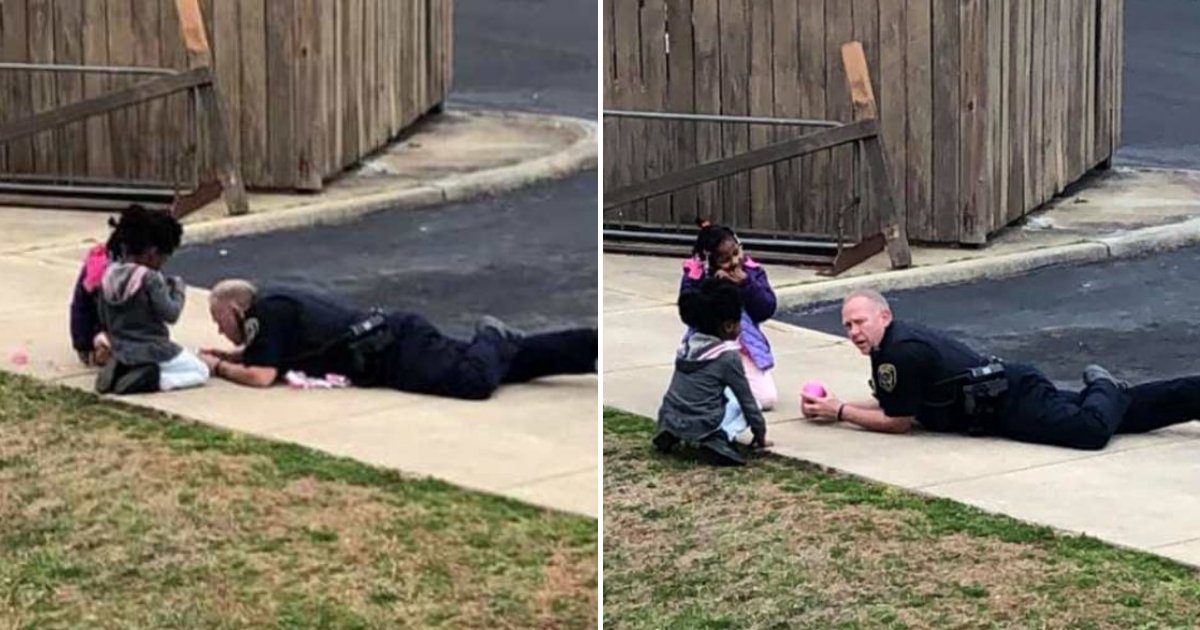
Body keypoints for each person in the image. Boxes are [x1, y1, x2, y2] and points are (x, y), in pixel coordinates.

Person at [800, 289, 1200, 450]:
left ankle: (1104, 382)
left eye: (860, 322)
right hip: (1000, 399)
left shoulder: (899, 351)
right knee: (1127, 414)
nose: (853, 331)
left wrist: (838, 412)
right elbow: (896, 398)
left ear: (884, 315)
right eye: (847, 326)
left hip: (1012, 399)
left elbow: (899, 421)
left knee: (1091, 431)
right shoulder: (891, 345)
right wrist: (837, 405)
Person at [199, 279, 597, 400]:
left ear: (236, 311)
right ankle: (589, 347)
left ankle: (490, 332)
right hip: (388, 343)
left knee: (473, 382)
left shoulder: (265, 314)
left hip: (393, 348)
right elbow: (268, 356)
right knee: (514, 362)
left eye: (219, 322)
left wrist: (218, 366)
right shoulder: (272, 306)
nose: (220, 330)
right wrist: (232, 355)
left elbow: (262, 376)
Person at [94, 206, 210, 394]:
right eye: (164, 258)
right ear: (152, 253)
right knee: (200, 370)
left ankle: (122, 369)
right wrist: (178, 290)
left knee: (181, 359)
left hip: (121, 347)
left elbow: (102, 316)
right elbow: (171, 314)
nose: (163, 264)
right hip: (153, 348)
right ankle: (154, 379)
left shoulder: (109, 274)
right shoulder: (150, 278)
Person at [654, 277, 769, 466]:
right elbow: (746, 401)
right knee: (751, 401)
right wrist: (760, 433)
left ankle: (670, 433)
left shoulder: (686, 346)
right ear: (729, 326)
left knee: (701, 391)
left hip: (670, 416)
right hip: (703, 423)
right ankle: (719, 438)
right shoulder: (728, 358)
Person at [680, 219, 779, 409]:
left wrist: (747, 285)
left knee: (767, 399)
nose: (734, 262)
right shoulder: (696, 277)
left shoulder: (751, 272)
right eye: (725, 260)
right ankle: (712, 387)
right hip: (709, 346)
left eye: (736, 253)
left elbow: (766, 309)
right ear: (710, 262)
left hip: (743, 346)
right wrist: (714, 287)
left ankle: (728, 389)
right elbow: (689, 314)